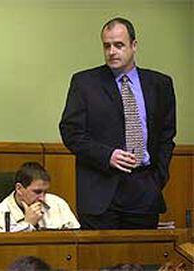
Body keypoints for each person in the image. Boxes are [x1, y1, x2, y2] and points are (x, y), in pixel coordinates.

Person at [59, 17, 176, 229]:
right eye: (107, 46)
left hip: (144, 190)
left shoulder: (160, 84)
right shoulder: (85, 83)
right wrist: (107, 156)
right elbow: (70, 132)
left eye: (119, 45)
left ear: (134, 45)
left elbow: (167, 135)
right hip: (100, 191)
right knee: (100, 261)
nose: (112, 51)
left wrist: (158, 178)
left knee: (143, 260)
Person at [0, 162, 80, 232]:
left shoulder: (58, 204)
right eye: (37, 192)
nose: (42, 198)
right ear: (19, 188)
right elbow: (4, 251)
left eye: (45, 192)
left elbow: (75, 236)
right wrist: (27, 224)